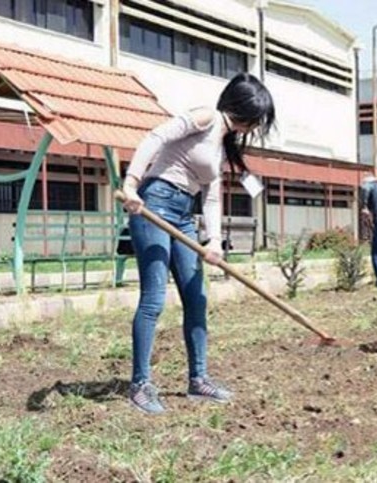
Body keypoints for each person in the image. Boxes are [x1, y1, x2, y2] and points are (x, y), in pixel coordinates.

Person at [120, 73, 275, 415]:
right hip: (153, 203)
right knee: (154, 297)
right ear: (247, 111)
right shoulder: (205, 117)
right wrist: (131, 183)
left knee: (196, 295)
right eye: (259, 119)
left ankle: (198, 380)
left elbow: (212, 198)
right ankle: (140, 385)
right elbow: (155, 137)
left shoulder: (222, 143)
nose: (256, 127)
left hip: (183, 214)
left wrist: (215, 240)